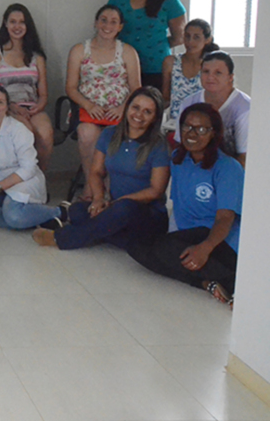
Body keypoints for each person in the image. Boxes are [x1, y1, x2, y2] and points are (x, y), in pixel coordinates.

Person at [128, 104, 244, 307]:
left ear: (214, 133)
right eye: (187, 127)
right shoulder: (177, 159)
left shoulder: (227, 167)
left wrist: (205, 248)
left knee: (167, 249)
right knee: (136, 246)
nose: (192, 133)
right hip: (188, 234)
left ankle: (234, 282)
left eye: (201, 129)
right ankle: (206, 282)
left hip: (220, 239)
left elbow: (225, 218)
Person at [33, 87, 170, 250]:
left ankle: (62, 238)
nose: (138, 115)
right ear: (127, 107)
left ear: (155, 118)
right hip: (114, 208)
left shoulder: (159, 146)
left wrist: (117, 203)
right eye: (135, 107)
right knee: (78, 211)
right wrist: (98, 199)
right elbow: (96, 172)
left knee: (122, 210)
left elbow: (156, 191)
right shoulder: (109, 134)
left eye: (148, 112)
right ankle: (122, 238)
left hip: (147, 213)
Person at [65, 4, 142, 196]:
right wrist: (89, 105)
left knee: (111, 139)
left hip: (120, 113)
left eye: (113, 22)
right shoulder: (79, 50)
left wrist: (123, 108)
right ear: (95, 22)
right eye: (103, 20)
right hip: (87, 111)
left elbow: (136, 89)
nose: (107, 25)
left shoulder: (128, 52)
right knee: (87, 135)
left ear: (120, 27)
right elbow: (71, 87)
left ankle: (104, 189)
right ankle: (93, 184)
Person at [0, 86, 62, 230]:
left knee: (14, 216)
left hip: (22, 182)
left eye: (0, 102)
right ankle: (32, 219)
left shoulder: (18, 129)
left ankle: (60, 212)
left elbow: (28, 169)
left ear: (6, 107)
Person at [0, 3, 54, 169]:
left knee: (45, 135)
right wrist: (11, 107)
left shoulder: (37, 57)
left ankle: (38, 180)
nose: (17, 26)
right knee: (26, 132)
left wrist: (37, 108)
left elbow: (43, 94)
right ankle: (20, 180)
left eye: (21, 22)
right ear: (5, 24)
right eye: (13, 21)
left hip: (31, 107)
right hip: (2, 108)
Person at [107, 0, 186, 90]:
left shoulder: (170, 1)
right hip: (121, 66)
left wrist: (153, 44)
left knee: (151, 109)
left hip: (156, 69)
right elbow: (108, 28)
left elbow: (179, 37)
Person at [174, 51, 249, 167]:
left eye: (218, 73)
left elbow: (244, 156)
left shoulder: (245, 107)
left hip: (228, 171)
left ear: (230, 77)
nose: (210, 77)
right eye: (206, 72)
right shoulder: (188, 102)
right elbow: (180, 145)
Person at [161, 19, 217, 133]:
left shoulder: (212, 65)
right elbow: (166, 97)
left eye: (196, 37)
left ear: (207, 40)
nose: (190, 42)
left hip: (203, 125)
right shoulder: (171, 62)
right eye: (187, 36)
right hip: (175, 125)